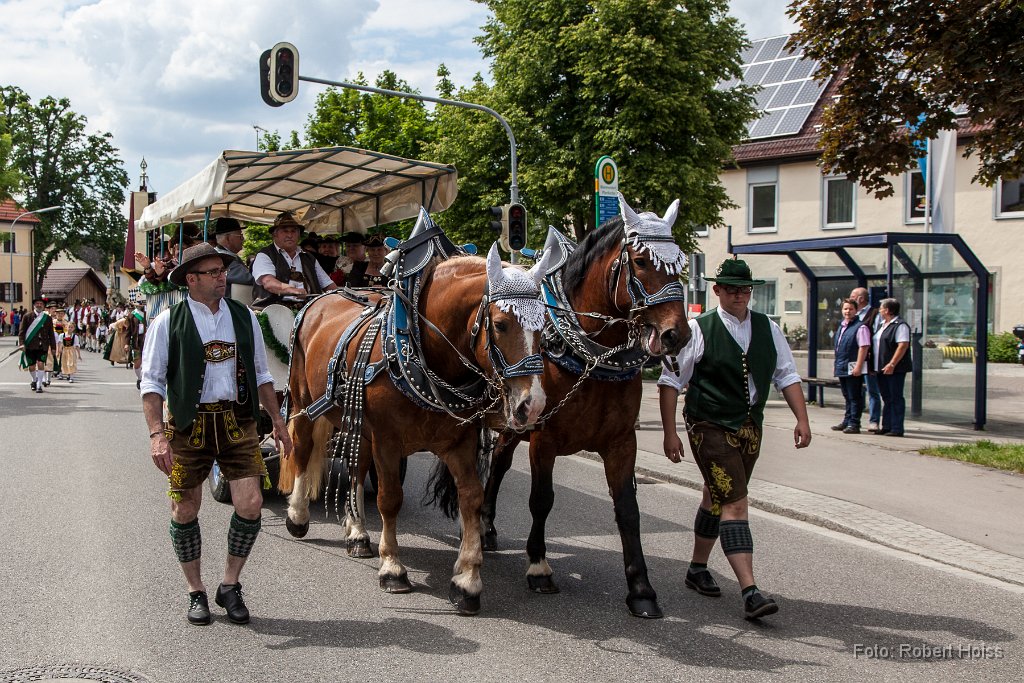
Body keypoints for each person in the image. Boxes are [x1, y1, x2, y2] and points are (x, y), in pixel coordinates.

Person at [140, 242, 292, 626]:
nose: (222, 277)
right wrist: (157, 434)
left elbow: (261, 373)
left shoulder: (243, 317)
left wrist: (276, 419)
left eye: (222, 271)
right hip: (185, 429)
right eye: (213, 273)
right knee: (184, 507)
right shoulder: (167, 323)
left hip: (237, 423)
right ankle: (196, 591)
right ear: (191, 280)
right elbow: (152, 383)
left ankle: (229, 584)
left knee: (251, 504)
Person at [658, 258, 811, 620]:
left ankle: (697, 568)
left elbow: (786, 375)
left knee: (717, 495)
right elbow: (670, 382)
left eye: (745, 289)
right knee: (736, 503)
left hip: (749, 427)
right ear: (718, 290)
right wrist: (669, 433)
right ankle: (750, 591)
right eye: (731, 289)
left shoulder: (768, 328)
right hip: (707, 424)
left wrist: (802, 419)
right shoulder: (698, 328)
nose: (740, 295)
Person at [250, 212, 336, 307]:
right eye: (285, 231)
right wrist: (293, 290)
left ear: (299, 235)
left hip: (308, 309)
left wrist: (342, 297)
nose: (290, 235)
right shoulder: (265, 255)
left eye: (293, 231)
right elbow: (268, 282)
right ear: (275, 235)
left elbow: (328, 284)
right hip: (273, 310)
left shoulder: (309, 257)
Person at [872, 297, 912, 437]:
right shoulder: (882, 324)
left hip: (894, 368)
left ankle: (896, 427)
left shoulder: (900, 325)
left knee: (895, 397)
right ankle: (887, 425)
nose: (880, 310)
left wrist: (892, 363)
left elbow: (903, 345)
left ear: (887, 310)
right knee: (887, 397)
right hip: (881, 368)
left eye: (882, 308)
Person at [831, 298, 870, 434]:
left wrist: (858, 366)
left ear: (856, 310)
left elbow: (863, 347)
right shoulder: (842, 326)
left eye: (851, 309)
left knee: (854, 396)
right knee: (847, 395)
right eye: (845, 309)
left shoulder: (861, 327)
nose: (848, 311)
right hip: (842, 365)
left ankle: (854, 423)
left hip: (852, 366)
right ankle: (847, 421)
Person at [850, 287, 882, 431]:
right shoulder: (853, 314)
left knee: (872, 390)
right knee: (853, 391)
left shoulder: (874, 314)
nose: (850, 298)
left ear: (861, 299)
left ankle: (874, 420)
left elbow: (876, 337)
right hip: (854, 358)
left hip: (869, 360)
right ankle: (852, 419)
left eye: (853, 296)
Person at [18, 297, 57, 394]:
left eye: (41, 303)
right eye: (37, 303)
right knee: (31, 366)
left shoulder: (47, 318)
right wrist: (22, 344)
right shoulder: (27, 316)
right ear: (34, 305)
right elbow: (21, 332)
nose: (39, 305)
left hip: (43, 345)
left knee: (40, 364)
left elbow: (51, 334)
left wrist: (53, 347)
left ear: (43, 306)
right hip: (30, 345)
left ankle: (39, 385)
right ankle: (34, 380)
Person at [212, 217, 255, 299]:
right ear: (227, 238)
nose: (243, 239)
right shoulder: (223, 258)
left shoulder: (221, 254)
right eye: (240, 236)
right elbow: (248, 278)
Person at [127, 300, 147, 388]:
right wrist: (126, 343)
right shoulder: (132, 315)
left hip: (146, 340)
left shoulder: (148, 312)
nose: (140, 306)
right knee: (137, 362)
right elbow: (128, 331)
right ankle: (139, 378)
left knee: (147, 362)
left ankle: (146, 379)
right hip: (136, 341)